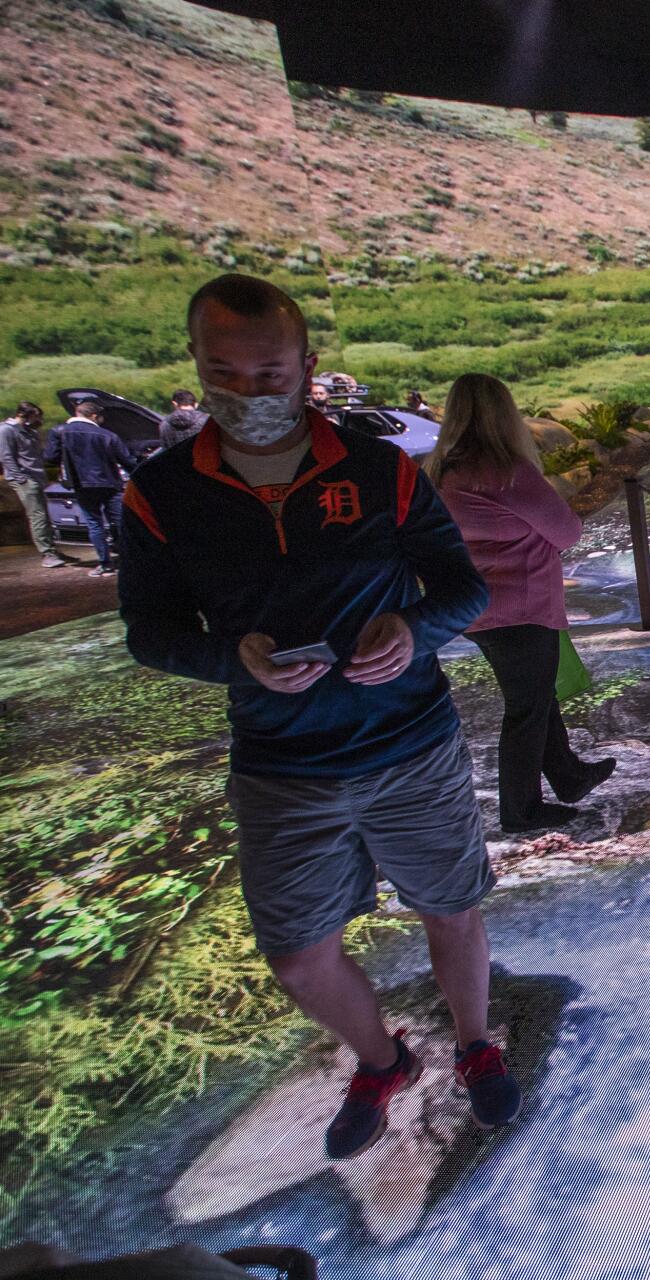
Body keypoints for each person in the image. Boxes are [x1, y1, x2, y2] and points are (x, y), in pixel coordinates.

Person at [119, 273, 518, 1160]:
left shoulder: (380, 471)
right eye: (225, 372)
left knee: (450, 904)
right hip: (280, 760)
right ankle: (382, 1061)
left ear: (307, 366)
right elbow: (147, 631)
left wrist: (412, 631)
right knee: (298, 954)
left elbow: (463, 588)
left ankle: (477, 1042)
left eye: (269, 373)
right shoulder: (161, 492)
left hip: (409, 741)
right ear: (196, 364)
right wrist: (236, 660)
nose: (249, 393)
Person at [431, 372, 614, 834]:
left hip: (478, 609)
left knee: (536, 696)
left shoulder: (443, 471)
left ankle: (570, 775)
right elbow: (567, 531)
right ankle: (522, 810)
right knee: (526, 708)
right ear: (504, 414)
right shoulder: (505, 472)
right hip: (523, 608)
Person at [42, 397, 134, 577]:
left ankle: (105, 564)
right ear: (94, 416)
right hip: (110, 484)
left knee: (94, 524)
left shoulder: (59, 432)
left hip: (82, 485)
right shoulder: (108, 435)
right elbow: (127, 461)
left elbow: (50, 457)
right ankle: (128, 561)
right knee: (120, 522)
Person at [1, 401, 63, 568]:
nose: (38, 420)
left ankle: (52, 549)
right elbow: (6, 457)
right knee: (37, 516)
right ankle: (47, 553)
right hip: (26, 479)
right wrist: (20, 478)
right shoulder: (7, 430)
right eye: (35, 416)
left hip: (37, 477)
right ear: (23, 415)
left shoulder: (30, 432)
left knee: (43, 515)